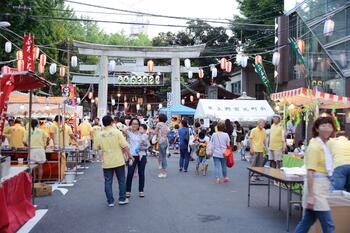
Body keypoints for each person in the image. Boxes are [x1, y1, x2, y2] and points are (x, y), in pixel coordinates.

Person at [295, 116, 336, 233]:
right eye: (324, 126)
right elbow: (310, 172)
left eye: (330, 126)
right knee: (329, 225)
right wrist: (311, 196)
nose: (327, 128)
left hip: (322, 187)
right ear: (317, 129)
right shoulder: (314, 146)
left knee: (307, 221)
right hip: (316, 188)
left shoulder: (326, 145)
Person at [94, 115, 132, 207]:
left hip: (107, 161)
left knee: (108, 181)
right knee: (121, 180)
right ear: (112, 122)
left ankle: (110, 201)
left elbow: (96, 147)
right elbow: (125, 146)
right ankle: (122, 199)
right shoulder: (117, 132)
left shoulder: (99, 134)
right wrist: (129, 156)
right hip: (118, 159)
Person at [125, 118, 149, 198]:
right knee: (130, 173)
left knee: (141, 173)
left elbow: (148, 145)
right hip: (132, 156)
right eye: (133, 123)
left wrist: (144, 148)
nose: (135, 125)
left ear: (139, 125)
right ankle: (128, 190)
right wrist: (129, 127)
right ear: (131, 124)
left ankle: (141, 190)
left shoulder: (142, 133)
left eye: (136, 124)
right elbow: (123, 130)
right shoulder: (129, 133)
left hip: (142, 155)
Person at [154, 114, 169, 178]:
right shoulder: (166, 124)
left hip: (161, 141)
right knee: (163, 156)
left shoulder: (159, 124)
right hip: (165, 141)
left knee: (162, 157)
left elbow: (155, 132)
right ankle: (164, 171)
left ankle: (164, 172)